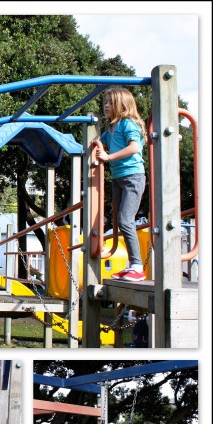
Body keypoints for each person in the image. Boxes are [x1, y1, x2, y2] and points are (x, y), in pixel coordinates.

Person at [94, 87, 147, 282]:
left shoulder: (127, 124)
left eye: (110, 102)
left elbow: (134, 147)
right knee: (120, 221)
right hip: (118, 178)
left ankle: (137, 266)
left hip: (133, 177)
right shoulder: (111, 128)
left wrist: (108, 156)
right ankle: (132, 265)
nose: (105, 106)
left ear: (122, 105)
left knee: (125, 220)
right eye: (105, 102)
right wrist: (99, 145)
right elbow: (99, 141)